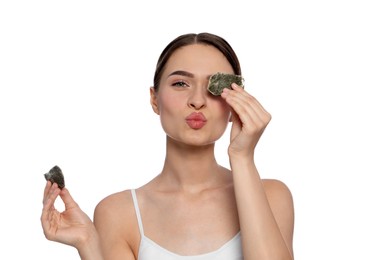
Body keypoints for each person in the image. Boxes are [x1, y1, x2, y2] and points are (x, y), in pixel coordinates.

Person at [41, 32, 294, 260]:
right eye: (180, 84)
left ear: (234, 101)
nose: (197, 100)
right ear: (154, 99)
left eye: (214, 87)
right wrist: (88, 243)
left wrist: (242, 157)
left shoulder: (272, 197)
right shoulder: (118, 213)